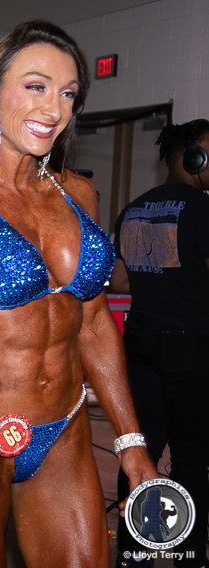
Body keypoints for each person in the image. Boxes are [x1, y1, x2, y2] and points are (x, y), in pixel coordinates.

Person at [0, 21, 157, 566]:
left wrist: (131, 441)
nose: (54, 108)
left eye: (68, 93)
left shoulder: (79, 193)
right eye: (36, 86)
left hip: (65, 430)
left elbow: (94, 325)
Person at [111, 119, 209, 568]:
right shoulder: (203, 209)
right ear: (193, 157)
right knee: (190, 458)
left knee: (141, 450)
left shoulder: (133, 208)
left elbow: (119, 281)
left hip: (140, 342)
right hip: (190, 346)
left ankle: (134, 555)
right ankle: (188, 559)